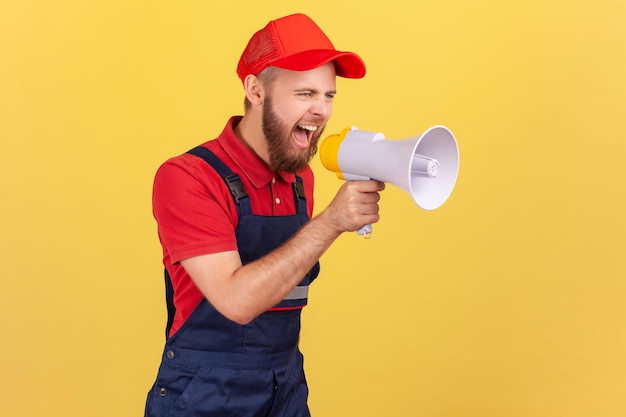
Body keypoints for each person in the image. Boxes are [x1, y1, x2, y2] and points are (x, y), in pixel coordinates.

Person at [144, 13, 384, 417]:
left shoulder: (299, 179)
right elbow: (236, 301)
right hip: (205, 393)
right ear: (256, 90)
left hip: (285, 385)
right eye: (305, 94)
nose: (322, 111)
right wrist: (330, 222)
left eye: (329, 96)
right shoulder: (187, 177)